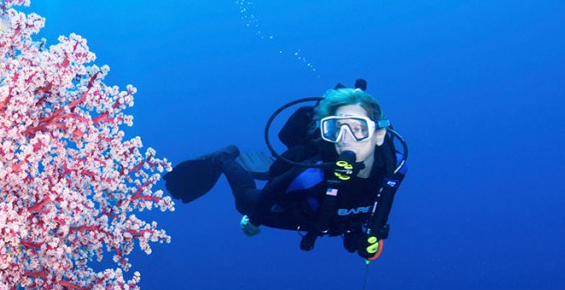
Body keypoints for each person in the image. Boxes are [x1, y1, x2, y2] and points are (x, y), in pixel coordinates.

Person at [165, 83, 406, 259]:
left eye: (358, 129)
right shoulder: (316, 169)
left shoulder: (391, 168)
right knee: (247, 204)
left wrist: (371, 239)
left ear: (379, 135)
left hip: (333, 218)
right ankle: (225, 157)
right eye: (336, 129)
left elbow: (382, 206)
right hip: (307, 207)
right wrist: (255, 220)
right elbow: (273, 189)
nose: (345, 140)